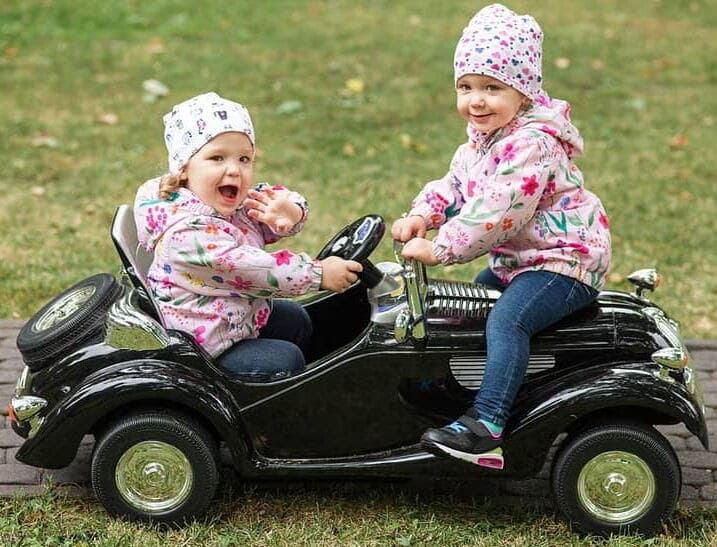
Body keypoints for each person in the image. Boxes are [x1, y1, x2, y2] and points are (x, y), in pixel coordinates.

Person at [392, 4, 611, 461]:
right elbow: (454, 185)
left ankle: (487, 423)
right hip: (521, 262)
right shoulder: (480, 140)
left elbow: (500, 211)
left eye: (492, 88)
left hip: (563, 260)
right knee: (470, 307)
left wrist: (441, 247)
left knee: (509, 319)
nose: (477, 100)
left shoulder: (531, 145)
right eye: (466, 87)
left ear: (523, 93)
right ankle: (460, 390)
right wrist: (423, 213)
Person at [135, 92, 362, 381]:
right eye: (217, 158)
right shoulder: (189, 234)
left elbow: (270, 204)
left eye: (244, 158)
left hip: (231, 317)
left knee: (295, 319)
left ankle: (305, 388)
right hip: (205, 347)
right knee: (284, 358)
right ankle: (268, 410)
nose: (234, 169)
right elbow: (257, 269)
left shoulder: (223, 205)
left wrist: (289, 211)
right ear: (183, 169)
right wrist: (317, 274)